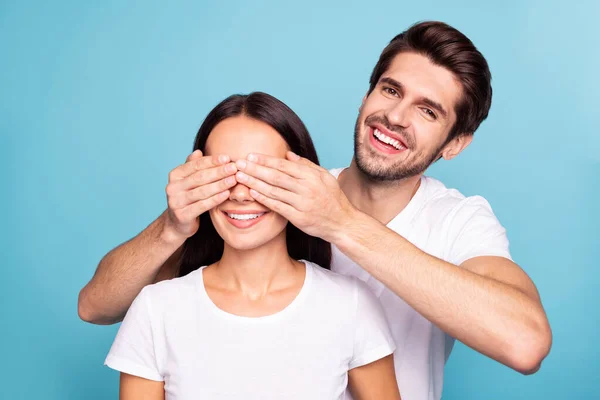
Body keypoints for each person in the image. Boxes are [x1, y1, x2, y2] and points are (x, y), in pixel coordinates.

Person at [80, 21, 552, 400]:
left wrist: (342, 225)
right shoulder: (272, 196)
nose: (396, 117)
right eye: (390, 91)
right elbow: (97, 307)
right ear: (367, 94)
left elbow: (525, 343)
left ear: (456, 144)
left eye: (428, 112)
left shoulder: (457, 221)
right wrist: (171, 226)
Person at [104, 92, 401, 399]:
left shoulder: (351, 304)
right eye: (225, 173)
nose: (241, 194)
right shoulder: (157, 310)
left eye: (262, 174)